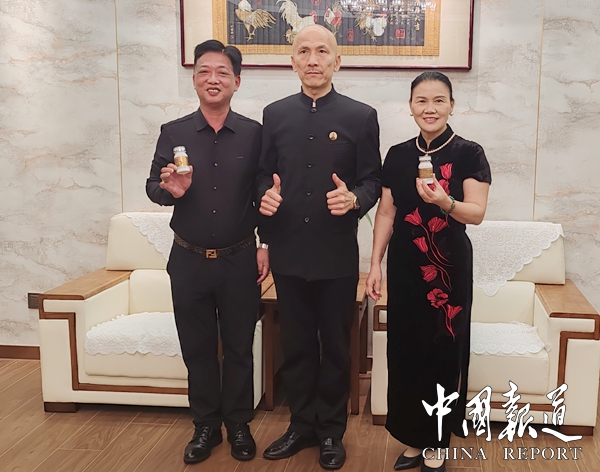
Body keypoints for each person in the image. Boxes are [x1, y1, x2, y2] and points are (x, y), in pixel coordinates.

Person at [258, 24, 381, 470]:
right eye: (304, 51)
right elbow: (262, 174)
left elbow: (373, 179)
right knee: (296, 345)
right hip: (288, 251)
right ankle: (300, 425)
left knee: (335, 345)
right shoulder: (274, 114)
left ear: (337, 61)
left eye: (322, 52)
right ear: (292, 61)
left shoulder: (360, 116)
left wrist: (355, 199)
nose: (313, 59)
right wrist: (263, 198)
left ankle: (331, 430)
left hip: (335, 253)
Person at [146, 40, 268, 465]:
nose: (212, 79)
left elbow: (264, 191)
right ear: (195, 79)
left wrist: (266, 243)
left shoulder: (255, 133)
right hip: (188, 259)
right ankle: (205, 426)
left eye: (222, 72)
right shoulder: (174, 132)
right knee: (196, 348)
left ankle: (239, 425)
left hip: (239, 258)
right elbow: (153, 186)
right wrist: (170, 190)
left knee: (239, 348)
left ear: (237, 81)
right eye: (204, 71)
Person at [366, 71, 491, 472]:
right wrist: (374, 264)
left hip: (448, 269)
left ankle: (438, 440)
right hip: (405, 264)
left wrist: (445, 202)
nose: (430, 108)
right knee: (406, 350)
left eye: (439, 100)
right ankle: (414, 437)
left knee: (442, 351)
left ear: (452, 105)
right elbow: (387, 212)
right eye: (421, 100)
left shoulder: (469, 153)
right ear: (410, 107)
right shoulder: (398, 154)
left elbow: (477, 213)